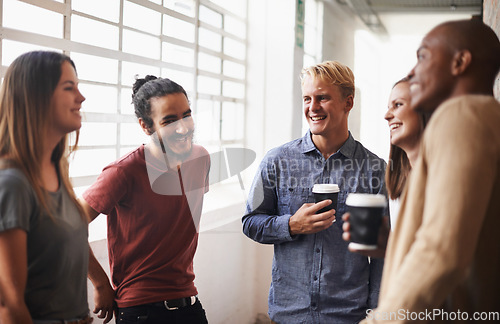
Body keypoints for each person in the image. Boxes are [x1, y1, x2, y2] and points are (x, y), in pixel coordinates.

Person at [362, 19, 500, 323]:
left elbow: (442, 252)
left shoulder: (462, 115)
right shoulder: (488, 118)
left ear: (460, 62)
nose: (412, 72)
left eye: (422, 56)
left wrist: (380, 320)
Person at [242, 61, 388, 323]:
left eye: (322, 98)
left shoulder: (375, 169)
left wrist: (375, 312)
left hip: (348, 315)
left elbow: (381, 252)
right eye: (307, 98)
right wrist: (291, 225)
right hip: (289, 312)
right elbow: (250, 222)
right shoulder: (277, 161)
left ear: (348, 103)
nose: (312, 107)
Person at [81, 76, 210, 324]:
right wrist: (99, 283)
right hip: (140, 311)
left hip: (188, 303)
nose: (183, 128)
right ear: (146, 126)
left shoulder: (201, 159)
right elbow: (68, 225)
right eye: (169, 121)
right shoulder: (123, 172)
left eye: (186, 115)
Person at [0, 51, 91, 323]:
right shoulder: (12, 183)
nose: (81, 97)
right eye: (69, 87)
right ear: (35, 97)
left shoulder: (57, 169)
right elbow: (9, 305)